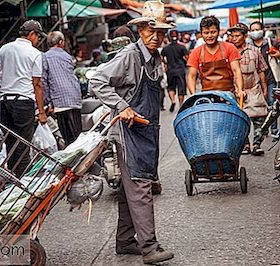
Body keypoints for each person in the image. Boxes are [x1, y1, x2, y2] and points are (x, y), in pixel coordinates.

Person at [89, 1, 174, 264]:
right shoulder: (129, 56)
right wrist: (122, 106)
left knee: (130, 190)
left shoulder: (155, 58)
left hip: (145, 133)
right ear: (140, 30)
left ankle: (126, 240)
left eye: (160, 32)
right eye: (151, 30)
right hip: (128, 135)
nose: (156, 37)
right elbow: (96, 80)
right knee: (141, 187)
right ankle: (149, 247)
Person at [0, 20, 47, 177]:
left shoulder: (5, 49)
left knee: (10, 142)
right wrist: (41, 111)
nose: (38, 41)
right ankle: (23, 182)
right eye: (38, 37)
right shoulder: (35, 54)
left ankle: (14, 178)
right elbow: (37, 84)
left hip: (5, 102)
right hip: (24, 103)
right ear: (32, 35)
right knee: (23, 146)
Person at [229, 23, 268, 156]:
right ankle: (245, 144)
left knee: (259, 119)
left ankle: (257, 144)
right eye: (232, 36)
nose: (234, 38)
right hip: (236, 91)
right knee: (240, 119)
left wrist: (264, 88)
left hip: (254, 89)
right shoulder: (229, 51)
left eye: (237, 35)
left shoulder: (254, 51)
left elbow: (261, 71)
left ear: (245, 36)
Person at [187, 16, 244, 98]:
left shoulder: (229, 48)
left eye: (213, 32)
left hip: (228, 94)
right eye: (206, 33)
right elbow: (191, 76)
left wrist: (240, 90)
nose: (210, 36)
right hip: (207, 96)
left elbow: (236, 70)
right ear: (201, 34)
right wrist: (193, 95)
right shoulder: (196, 52)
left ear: (218, 31)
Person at [42, 31, 82, 145]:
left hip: (59, 102)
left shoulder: (44, 57)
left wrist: (47, 102)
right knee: (77, 137)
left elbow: (44, 82)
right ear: (61, 42)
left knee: (68, 139)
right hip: (74, 99)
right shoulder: (67, 56)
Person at [249, 21, 280, 136]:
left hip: (271, 77)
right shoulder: (249, 46)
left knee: (272, 103)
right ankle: (263, 128)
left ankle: (274, 129)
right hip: (255, 80)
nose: (255, 32)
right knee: (259, 104)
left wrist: (277, 54)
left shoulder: (271, 43)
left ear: (262, 30)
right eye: (252, 30)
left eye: (257, 29)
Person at [161, 29, 189, 112]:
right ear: (178, 37)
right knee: (181, 88)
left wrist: (166, 63)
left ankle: (173, 101)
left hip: (170, 70)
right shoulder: (182, 47)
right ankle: (181, 105)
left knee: (171, 87)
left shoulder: (166, 48)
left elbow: (161, 57)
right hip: (180, 70)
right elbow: (187, 57)